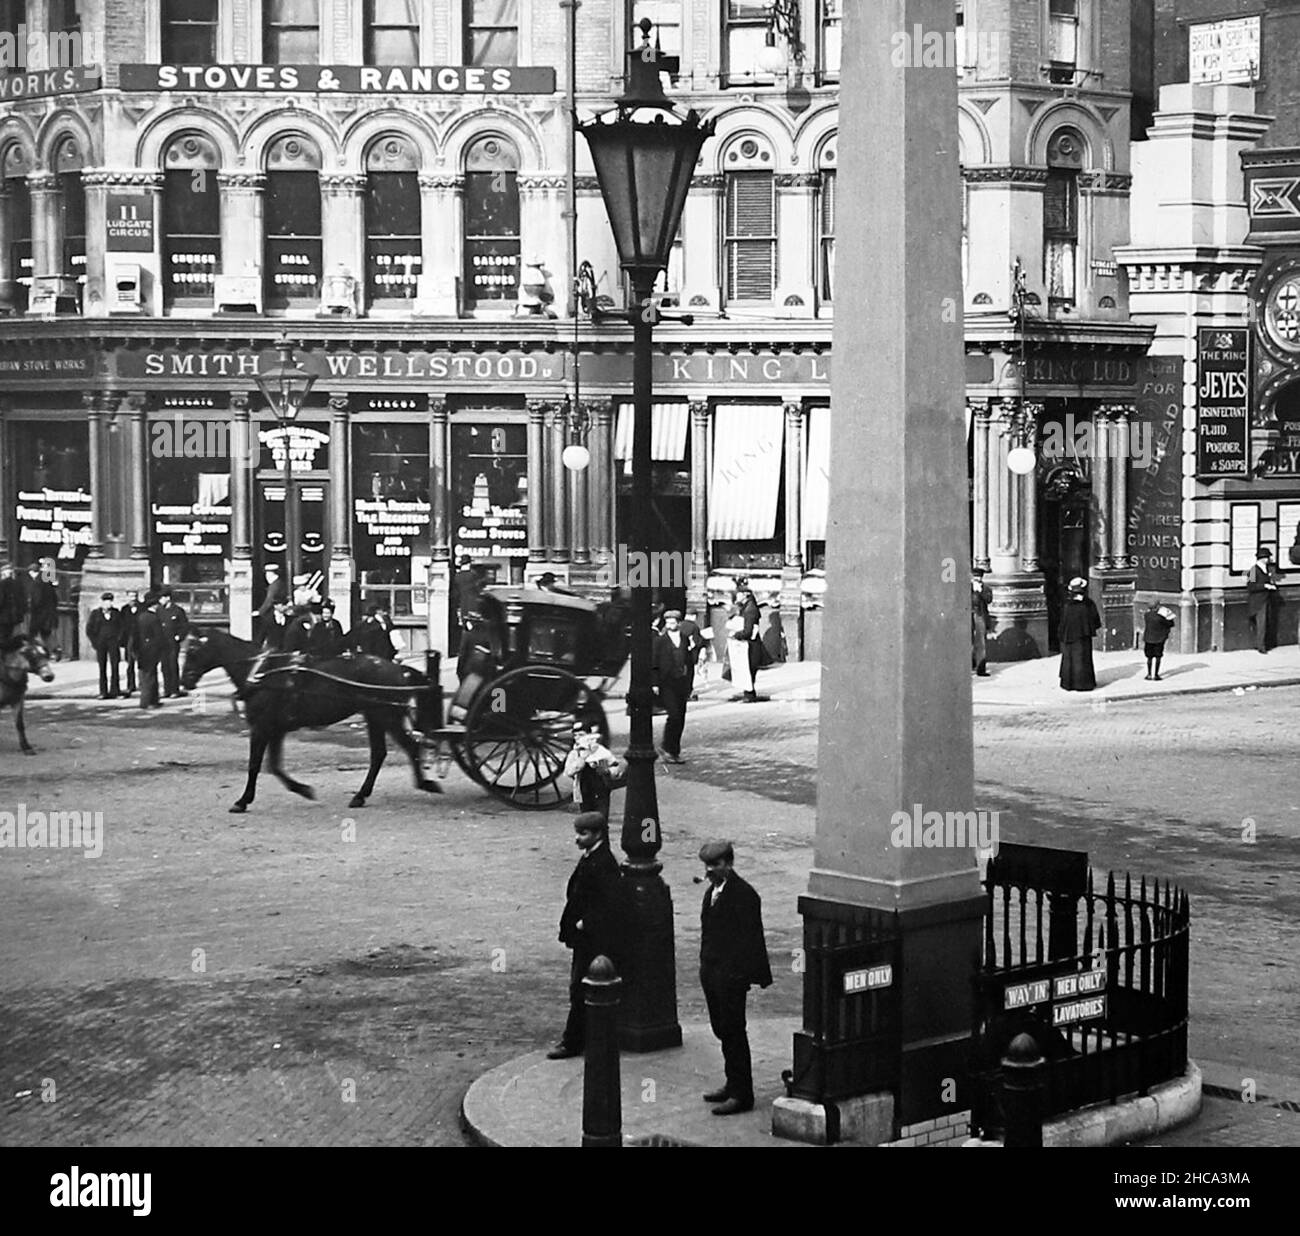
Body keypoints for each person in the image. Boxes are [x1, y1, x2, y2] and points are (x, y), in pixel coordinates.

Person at [698, 841, 772, 1115]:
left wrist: (740, 974)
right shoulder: (711, 893)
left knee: (733, 1031)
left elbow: (750, 940)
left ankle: (742, 1093)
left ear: (728, 864)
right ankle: (732, 1083)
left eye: (715, 865)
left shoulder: (744, 895)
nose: (710, 870)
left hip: (730, 976)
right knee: (722, 1029)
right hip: (712, 971)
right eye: (707, 865)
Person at [547, 812, 625, 1060]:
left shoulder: (603, 862)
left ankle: (572, 1042)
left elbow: (610, 903)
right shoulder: (593, 857)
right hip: (587, 937)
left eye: (583, 834)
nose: (578, 839)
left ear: (598, 834)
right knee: (579, 988)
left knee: (580, 988)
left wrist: (584, 923)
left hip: (593, 939)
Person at [653, 610, 704, 763]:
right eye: (667, 623)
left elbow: (689, 661)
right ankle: (665, 747)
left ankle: (674, 751)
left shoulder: (684, 639)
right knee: (674, 715)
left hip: (681, 682)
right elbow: (654, 663)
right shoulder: (660, 641)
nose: (670, 625)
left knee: (680, 717)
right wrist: (654, 683)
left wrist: (690, 684)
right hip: (666, 682)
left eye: (673, 623)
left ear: (679, 623)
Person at [563, 725, 625, 819]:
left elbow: (614, 766)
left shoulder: (600, 751)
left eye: (581, 734)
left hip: (601, 789)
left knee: (601, 817)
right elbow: (569, 771)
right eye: (575, 735)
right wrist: (583, 758)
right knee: (587, 817)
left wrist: (607, 771)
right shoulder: (575, 753)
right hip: (584, 790)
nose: (578, 737)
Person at [725, 579, 769, 703]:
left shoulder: (750, 610)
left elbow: (747, 631)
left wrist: (735, 634)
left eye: (738, 594)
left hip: (750, 645)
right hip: (751, 644)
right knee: (748, 669)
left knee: (748, 669)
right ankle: (749, 693)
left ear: (745, 595)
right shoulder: (748, 607)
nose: (736, 596)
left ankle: (749, 695)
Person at [1058, 577, 1101, 692]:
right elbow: (1096, 620)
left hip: (1069, 637)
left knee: (1069, 659)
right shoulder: (1088, 604)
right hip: (1083, 637)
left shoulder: (1067, 605)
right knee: (1083, 659)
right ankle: (1083, 684)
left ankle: (1068, 683)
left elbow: (1062, 621)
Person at [86, 592, 124, 699]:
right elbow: (89, 629)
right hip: (101, 643)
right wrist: (95, 642)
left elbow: (121, 627)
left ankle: (115, 691)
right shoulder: (95, 614)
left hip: (113, 643)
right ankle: (103, 692)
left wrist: (118, 639)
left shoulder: (116, 613)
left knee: (115, 666)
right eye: (106, 602)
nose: (108, 604)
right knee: (102, 668)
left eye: (110, 602)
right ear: (102, 602)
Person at [1247, 547, 1283, 654]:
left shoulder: (1266, 569)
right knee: (1261, 624)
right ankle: (1261, 646)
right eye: (1267, 557)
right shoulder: (1253, 570)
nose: (1268, 559)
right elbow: (1250, 586)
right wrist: (1265, 585)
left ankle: (1262, 644)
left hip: (1266, 600)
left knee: (1265, 623)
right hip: (1257, 602)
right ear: (1262, 558)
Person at [134, 592, 165, 709]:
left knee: (145, 676)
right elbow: (159, 637)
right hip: (152, 650)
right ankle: (148, 701)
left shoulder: (140, 617)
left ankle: (151, 700)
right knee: (151, 677)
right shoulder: (154, 618)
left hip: (142, 650)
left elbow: (135, 635)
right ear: (154, 606)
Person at [157, 587, 190, 697]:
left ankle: (174, 690)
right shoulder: (159, 610)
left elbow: (185, 626)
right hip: (162, 642)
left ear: (168, 598)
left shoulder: (178, 610)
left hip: (173, 642)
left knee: (172, 665)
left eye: (161, 598)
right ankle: (167, 690)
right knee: (164, 666)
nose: (160, 600)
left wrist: (179, 637)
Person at [25, 561, 58, 646]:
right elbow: (55, 598)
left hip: (40, 614)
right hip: (49, 613)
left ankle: (38, 651)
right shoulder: (47, 581)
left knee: (36, 634)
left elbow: (37, 600)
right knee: (46, 633)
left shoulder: (37, 583)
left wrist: (31, 607)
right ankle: (55, 650)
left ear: (31, 572)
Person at [1142, 603, 1176, 681]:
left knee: (1149, 657)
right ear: (1157, 607)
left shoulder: (1147, 615)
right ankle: (1156, 675)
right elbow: (1170, 624)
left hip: (1148, 639)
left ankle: (1149, 674)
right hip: (1159, 639)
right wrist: (1169, 616)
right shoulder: (1160, 617)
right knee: (1158, 657)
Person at [254, 564, 288, 641]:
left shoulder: (275, 585)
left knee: (267, 626)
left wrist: (260, 612)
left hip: (274, 611)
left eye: (267, 573)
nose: (266, 576)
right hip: (274, 609)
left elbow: (270, 600)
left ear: (271, 574)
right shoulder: (277, 583)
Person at [120, 590, 142, 696]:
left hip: (141, 639)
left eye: (135, 596)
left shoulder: (143, 608)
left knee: (142, 663)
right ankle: (130, 685)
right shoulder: (124, 610)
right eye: (131, 596)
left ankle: (142, 684)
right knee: (130, 664)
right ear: (127, 597)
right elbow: (121, 626)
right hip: (129, 639)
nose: (133, 598)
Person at [971, 568, 992, 676]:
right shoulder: (967, 587)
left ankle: (981, 669)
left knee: (981, 642)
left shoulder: (986, 588)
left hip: (980, 615)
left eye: (979, 576)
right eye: (975, 576)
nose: (977, 578)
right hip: (968, 615)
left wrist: (981, 592)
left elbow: (989, 599)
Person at [0, 562, 24, 643]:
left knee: (3, 638)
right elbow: (22, 600)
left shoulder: (2, 584)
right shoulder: (18, 584)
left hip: (4, 617)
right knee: (11, 638)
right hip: (15, 617)